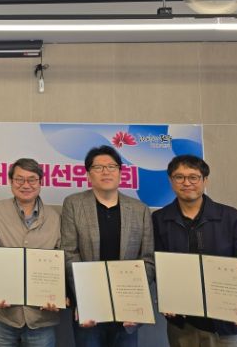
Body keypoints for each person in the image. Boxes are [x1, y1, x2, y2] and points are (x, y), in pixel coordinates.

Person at [152, 154, 237, 347]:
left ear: (205, 180)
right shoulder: (160, 219)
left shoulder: (230, 216)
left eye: (193, 177)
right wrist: (167, 296)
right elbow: (157, 264)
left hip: (226, 321)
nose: (187, 183)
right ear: (171, 180)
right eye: (179, 177)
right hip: (182, 323)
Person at [61, 145, 154, 347]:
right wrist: (84, 297)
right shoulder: (73, 204)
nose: (106, 172)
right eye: (98, 167)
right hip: (89, 306)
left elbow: (147, 259)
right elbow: (69, 253)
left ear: (121, 172)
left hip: (127, 309)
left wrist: (134, 297)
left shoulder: (140, 209)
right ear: (88, 175)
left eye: (112, 166)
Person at [0, 158, 61, 347]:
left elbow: (60, 258)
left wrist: (57, 294)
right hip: (5, 313)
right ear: (10, 181)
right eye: (19, 179)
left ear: (41, 182)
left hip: (41, 316)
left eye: (32, 179)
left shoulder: (54, 217)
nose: (26, 185)